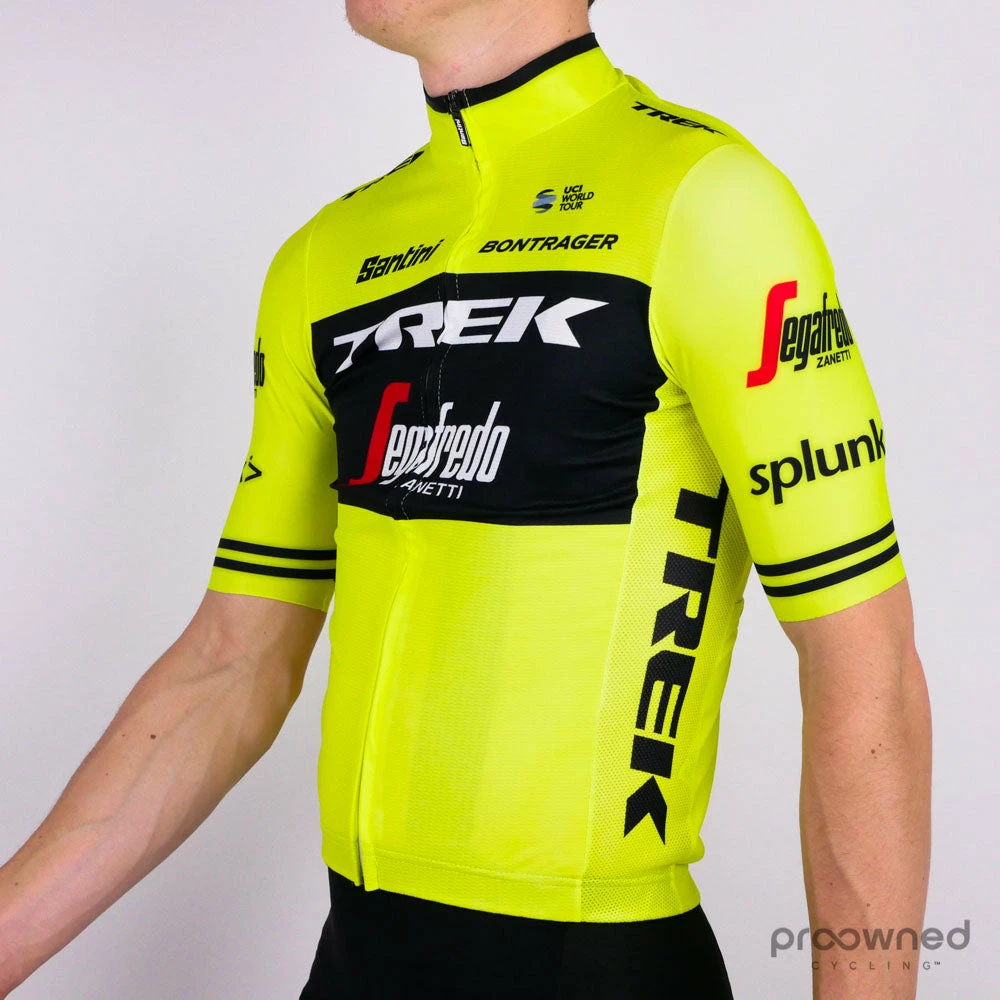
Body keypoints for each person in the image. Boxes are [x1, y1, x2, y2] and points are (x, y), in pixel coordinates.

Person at [0, 0, 932, 997]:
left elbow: (863, 661)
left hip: (590, 964)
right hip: (356, 959)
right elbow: (234, 660)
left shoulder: (706, 200)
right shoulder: (325, 257)